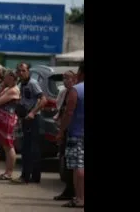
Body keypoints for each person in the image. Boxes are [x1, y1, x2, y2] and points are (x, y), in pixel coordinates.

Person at [57, 61, 84, 208]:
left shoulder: (76, 90)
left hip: (77, 133)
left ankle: (80, 198)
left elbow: (69, 112)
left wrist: (61, 131)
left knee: (79, 166)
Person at [16, 62, 47, 184]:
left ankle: (33, 176)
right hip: (25, 118)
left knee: (32, 148)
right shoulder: (22, 84)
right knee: (26, 148)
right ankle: (26, 175)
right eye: (19, 71)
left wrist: (33, 112)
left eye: (24, 70)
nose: (21, 73)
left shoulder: (32, 83)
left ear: (28, 71)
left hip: (33, 119)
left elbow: (43, 99)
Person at [0, 69, 20, 181]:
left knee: (8, 145)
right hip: (2, 118)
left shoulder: (13, 90)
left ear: (11, 78)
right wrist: (0, 88)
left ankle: (9, 172)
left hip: (9, 119)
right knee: (4, 145)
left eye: (6, 77)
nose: (4, 79)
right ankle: (6, 171)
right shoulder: (6, 88)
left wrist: (1, 90)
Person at [54, 70, 77, 201]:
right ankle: (69, 189)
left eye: (68, 78)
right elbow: (60, 109)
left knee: (72, 161)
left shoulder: (75, 92)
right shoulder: (64, 92)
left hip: (73, 130)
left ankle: (72, 190)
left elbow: (69, 112)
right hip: (63, 128)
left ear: (74, 79)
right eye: (64, 78)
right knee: (65, 159)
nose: (66, 80)